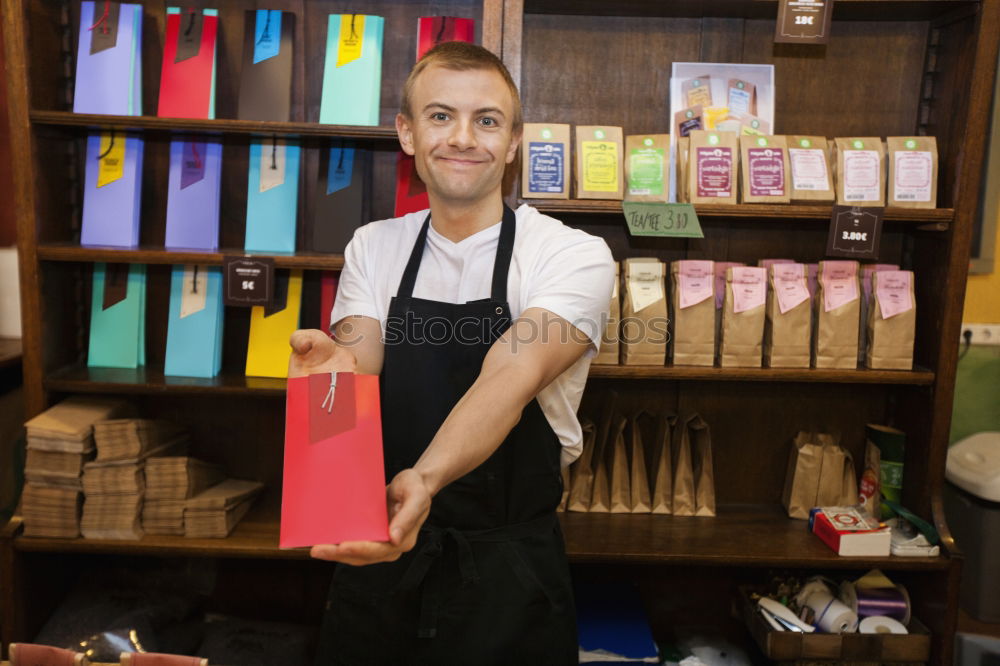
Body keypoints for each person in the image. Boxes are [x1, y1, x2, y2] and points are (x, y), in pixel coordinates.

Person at [288, 41, 614, 665]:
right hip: (380, 553)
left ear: (513, 140)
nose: (463, 138)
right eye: (440, 116)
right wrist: (326, 379)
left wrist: (425, 481)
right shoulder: (374, 247)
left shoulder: (570, 255)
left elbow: (511, 375)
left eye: (486, 120)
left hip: (509, 578)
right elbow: (356, 367)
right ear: (407, 133)